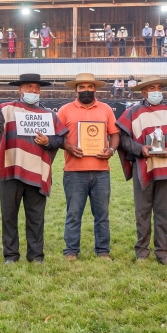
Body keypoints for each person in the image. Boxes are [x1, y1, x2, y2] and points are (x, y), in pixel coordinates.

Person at [0, 73, 68, 264]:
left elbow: (61, 139)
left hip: (37, 172)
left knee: (36, 217)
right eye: (29, 87)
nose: (33, 91)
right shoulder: (5, 110)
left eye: (36, 87)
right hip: (11, 170)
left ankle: (36, 255)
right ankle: (11, 255)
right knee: (8, 216)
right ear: (19, 89)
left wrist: (49, 141)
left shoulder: (49, 115)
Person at [116, 76, 167, 265]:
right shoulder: (133, 112)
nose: (156, 91)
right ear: (143, 92)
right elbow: (123, 139)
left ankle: (162, 252)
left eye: (158, 88)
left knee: (162, 211)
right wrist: (140, 149)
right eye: (151, 88)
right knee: (142, 211)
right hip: (143, 167)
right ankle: (142, 250)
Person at [57, 73, 120, 260]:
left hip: (101, 171)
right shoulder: (65, 110)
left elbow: (115, 134)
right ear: (75, 89)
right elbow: (57, 137)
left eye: (90, 87)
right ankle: (71, 251)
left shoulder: (106, 109)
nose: (86, 90)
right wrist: (68, 146)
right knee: (74, 213)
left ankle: (103, 251)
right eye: (82, 87)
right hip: (74, 171)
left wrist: (111, 150)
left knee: (102, 215)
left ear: (95, 89)